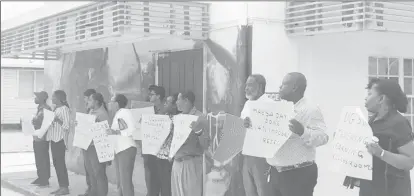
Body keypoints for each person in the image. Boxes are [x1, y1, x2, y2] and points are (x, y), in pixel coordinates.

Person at [344, 78, 414, 196]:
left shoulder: (399, 123)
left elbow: (409, 162)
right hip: (371, 188)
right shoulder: (372, 120)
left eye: (370, 94)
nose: (366, 98)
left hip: (391, 189)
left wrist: (381, 153)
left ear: (381, 99)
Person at [266, 72, 329, 196]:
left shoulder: (310, 109)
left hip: (298, 174)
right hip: (275, 173)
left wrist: (303, 132)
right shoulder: (279, 108)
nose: (279, 87)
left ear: (294, 87)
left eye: (283, 84)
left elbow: (323, 137)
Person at [241, 74, 276, 196]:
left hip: (263, 158)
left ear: (260, 87)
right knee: (249, 192)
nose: (246, 88)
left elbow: (275, 131)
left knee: (264, 192)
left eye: (250, 85)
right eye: (246, 85)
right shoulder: (247, 104)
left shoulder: (271, 105)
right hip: (247, 156)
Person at [171, 91, 208, 196]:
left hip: (191, 164)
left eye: (178, 99)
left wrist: (198, 131)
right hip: (176, 163)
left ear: (186, 100)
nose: (176, 102)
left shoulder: (200, 117)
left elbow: (206, 144)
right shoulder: (177, 118)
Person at [106, 94, 137, 196]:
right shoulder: (118, 113)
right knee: (120, 180)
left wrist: (115, 132)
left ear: (117, 103)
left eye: (111, 101)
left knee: (125, 180)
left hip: (126, 148)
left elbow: (131, 130)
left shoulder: (125, 112)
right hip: (120, 149)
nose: (109, 104)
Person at [85, 93, 111, 196]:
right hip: (89, 145)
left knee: (99, 173)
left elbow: (106, 132)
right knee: (91, 172)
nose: (88, 102)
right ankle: (93, 192)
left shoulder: (102, 114)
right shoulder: (91, 111)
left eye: (90, 100)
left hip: (97, 147)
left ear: (96, 102)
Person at [144, 85, 167, 196]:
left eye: (152, 94)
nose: (149, 96)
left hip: (161, 152)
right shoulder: (148, 110)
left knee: (162, 180)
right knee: (151, 181)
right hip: (150, 150)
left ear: (158, 96)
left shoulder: (165, 110)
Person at [155, 93, 180, 196]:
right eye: (165, 102)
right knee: (162, 182)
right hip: (159, 154)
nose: (165, 104)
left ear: (174, 105)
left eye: (168, 102)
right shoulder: (162, 117)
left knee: (168, 183)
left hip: (169, 157)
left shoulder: (177, 119)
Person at [47, 90, 71, 195]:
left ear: (59, 98)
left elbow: (66, 126)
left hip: (60, 140)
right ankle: (61, 186)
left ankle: (65, 187)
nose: (52, 98)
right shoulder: (55, 109)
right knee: (56, 164)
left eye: (53, 96)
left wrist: (57, 120)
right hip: (53, 139)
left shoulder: (64, 109)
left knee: (60, 164)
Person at [31, 91, 52, 187]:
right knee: (38, 158)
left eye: (37, 97)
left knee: (42, 158)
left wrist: (32, 119)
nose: (35, 98)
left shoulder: (46, 109)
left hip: (42, 137)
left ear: (42, 98)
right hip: (37, 136)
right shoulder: (40, 108)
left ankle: (44, 179)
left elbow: (43, 123)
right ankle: (41, 177)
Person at [79, 89, 96, 196]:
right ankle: (89, 188)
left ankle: (93, 190)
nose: (85, 100)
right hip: (85, 142)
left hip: (92, 144)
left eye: (86, 98)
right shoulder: (88, 109)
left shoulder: (96, 111)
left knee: (93, 169)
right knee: (87, 168)